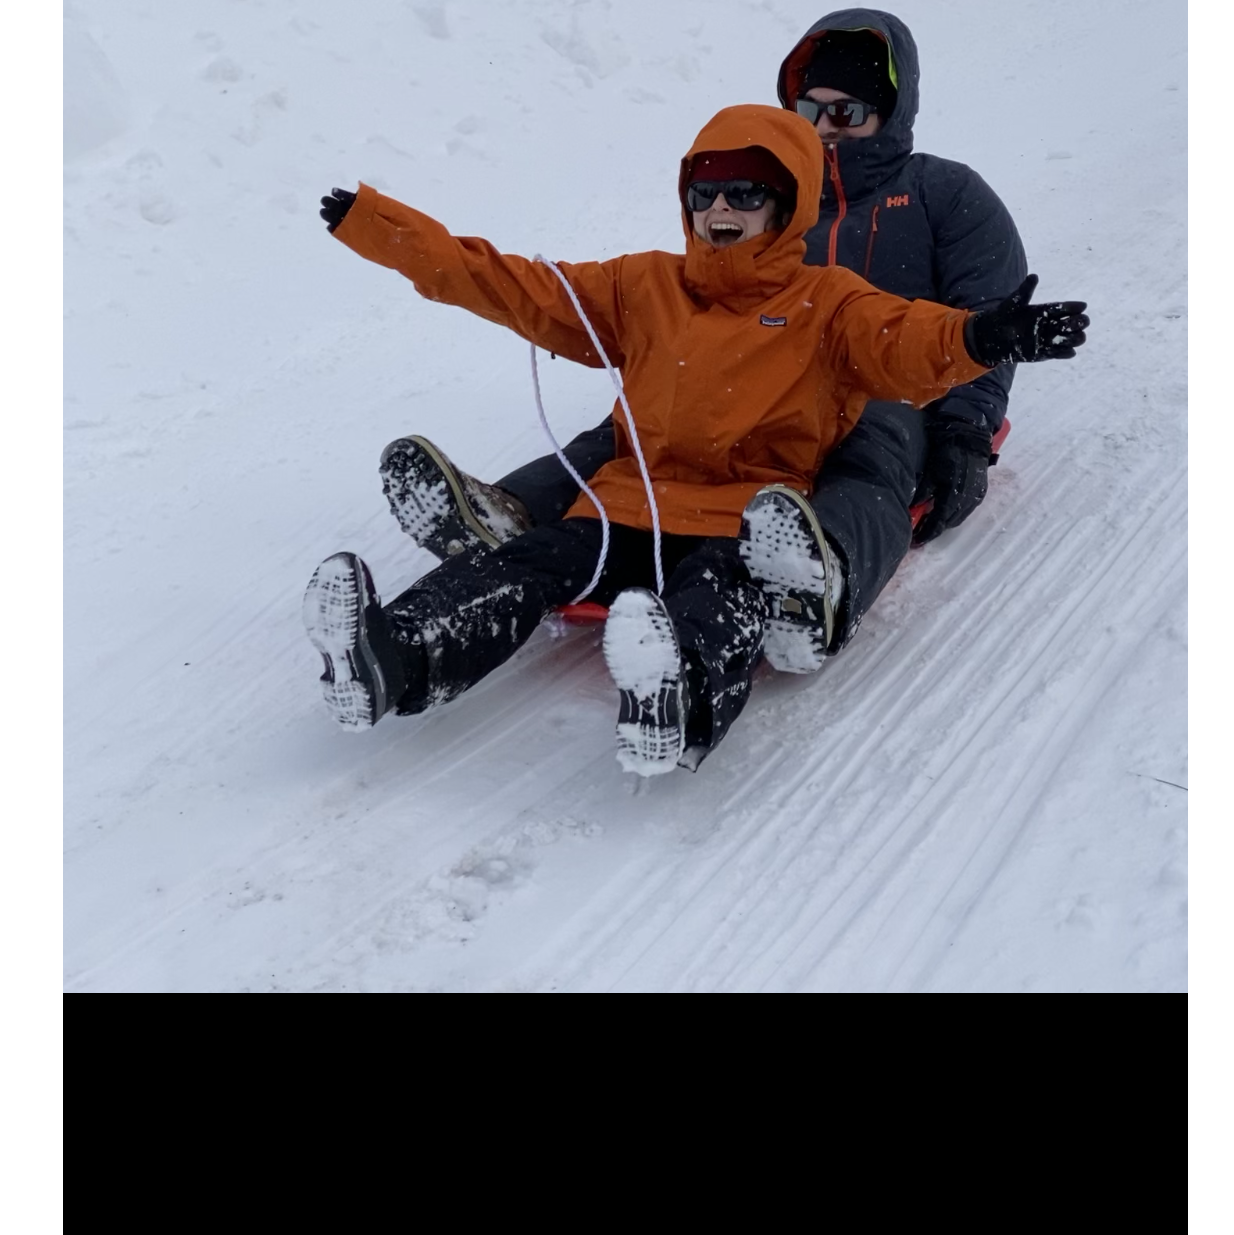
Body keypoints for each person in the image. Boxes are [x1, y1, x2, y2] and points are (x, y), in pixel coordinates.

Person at [305, 103, 1085, 774]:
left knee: (720, 596)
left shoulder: (830, 300)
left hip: (742, 519)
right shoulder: (642, 286)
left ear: (788, 204)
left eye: (747, 192)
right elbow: (509, 283)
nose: (722, 207)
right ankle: (397, 657)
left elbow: (909, 339)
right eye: (706, 189)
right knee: (527, 562)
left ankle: (675, 701)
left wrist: (988, 334)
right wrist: (381, 228)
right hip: (630, 506)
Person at [379, 8, 1048, 674]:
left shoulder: (943, 194)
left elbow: (983, 319)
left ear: (890, 112)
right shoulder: (769, 189)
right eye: (807, 113)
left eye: (843, 115)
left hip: (892, 383)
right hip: (768, 378)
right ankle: (513, 512)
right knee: (646, 426)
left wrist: (966, 429)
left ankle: (819, 575)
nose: (822, 132)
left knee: (872, 452)